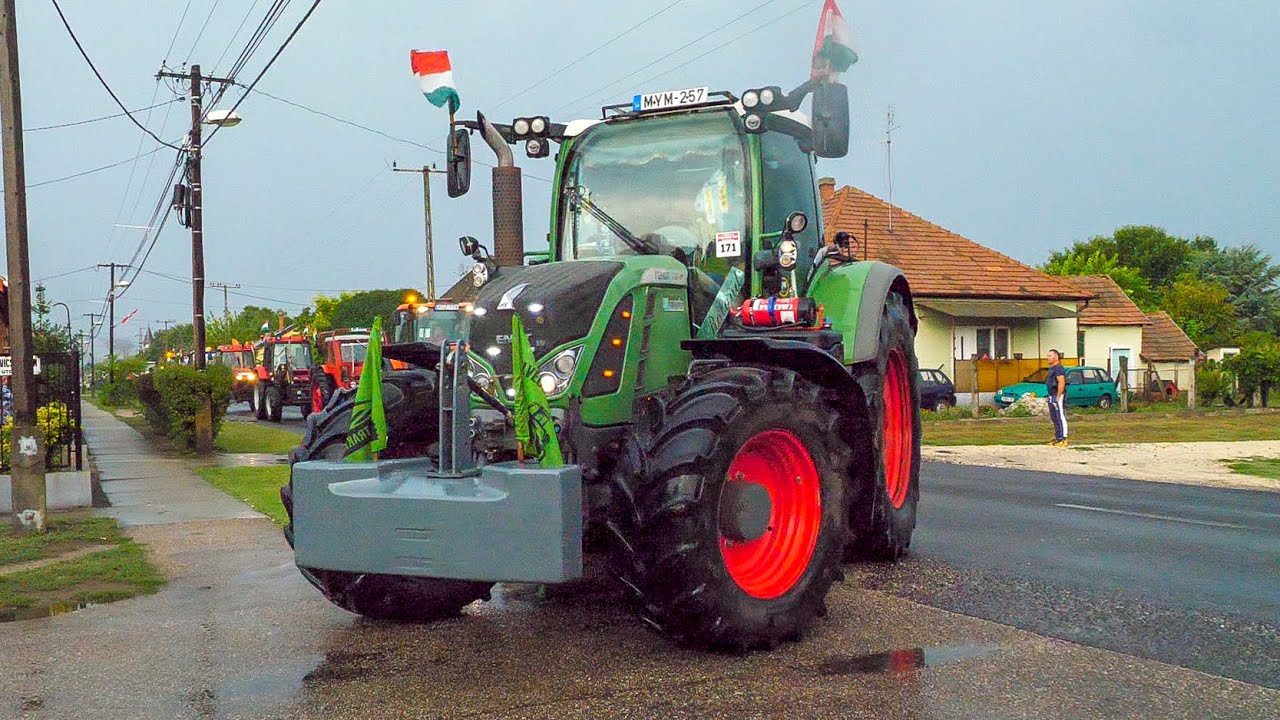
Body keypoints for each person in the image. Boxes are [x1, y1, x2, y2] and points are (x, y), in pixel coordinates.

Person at [1045, 349, 1069, 446]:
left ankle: (1063, 438)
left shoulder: (1059, 368)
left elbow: (1061, 382)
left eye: (1050, 356)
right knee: (1054, 417)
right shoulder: (1052, 368)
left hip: (1057, 395)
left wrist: (1058, 396)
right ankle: (1058, 437)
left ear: (1056, 357)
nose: (1048, 358)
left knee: (1060, 416)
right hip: (1051, 395)